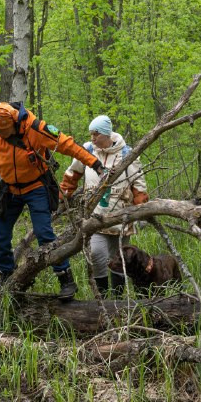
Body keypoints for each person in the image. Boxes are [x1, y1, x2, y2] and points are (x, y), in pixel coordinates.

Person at [0, 102, 104, 299]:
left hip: (36, 187)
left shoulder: (36, 128)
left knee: (44, 233)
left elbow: (67, 144)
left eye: (2, 130)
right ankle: (6, 275)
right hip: (9, 189)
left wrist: (94, 163)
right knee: (0, 236)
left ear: (13, 122)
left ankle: (65, 279)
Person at [59, 115, 149, 296]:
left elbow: (139, 185)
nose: (92, 138)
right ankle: (102, 297)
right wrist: (63, 195)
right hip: (94, 216)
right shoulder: (87, 150)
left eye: (96, 134)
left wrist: (142, 212)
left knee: (120, 259)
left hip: (121, 218)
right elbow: (72, 174)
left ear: (107, 135)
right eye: (91, 134)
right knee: (97, 255)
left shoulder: (127, 154)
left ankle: (117, 298)